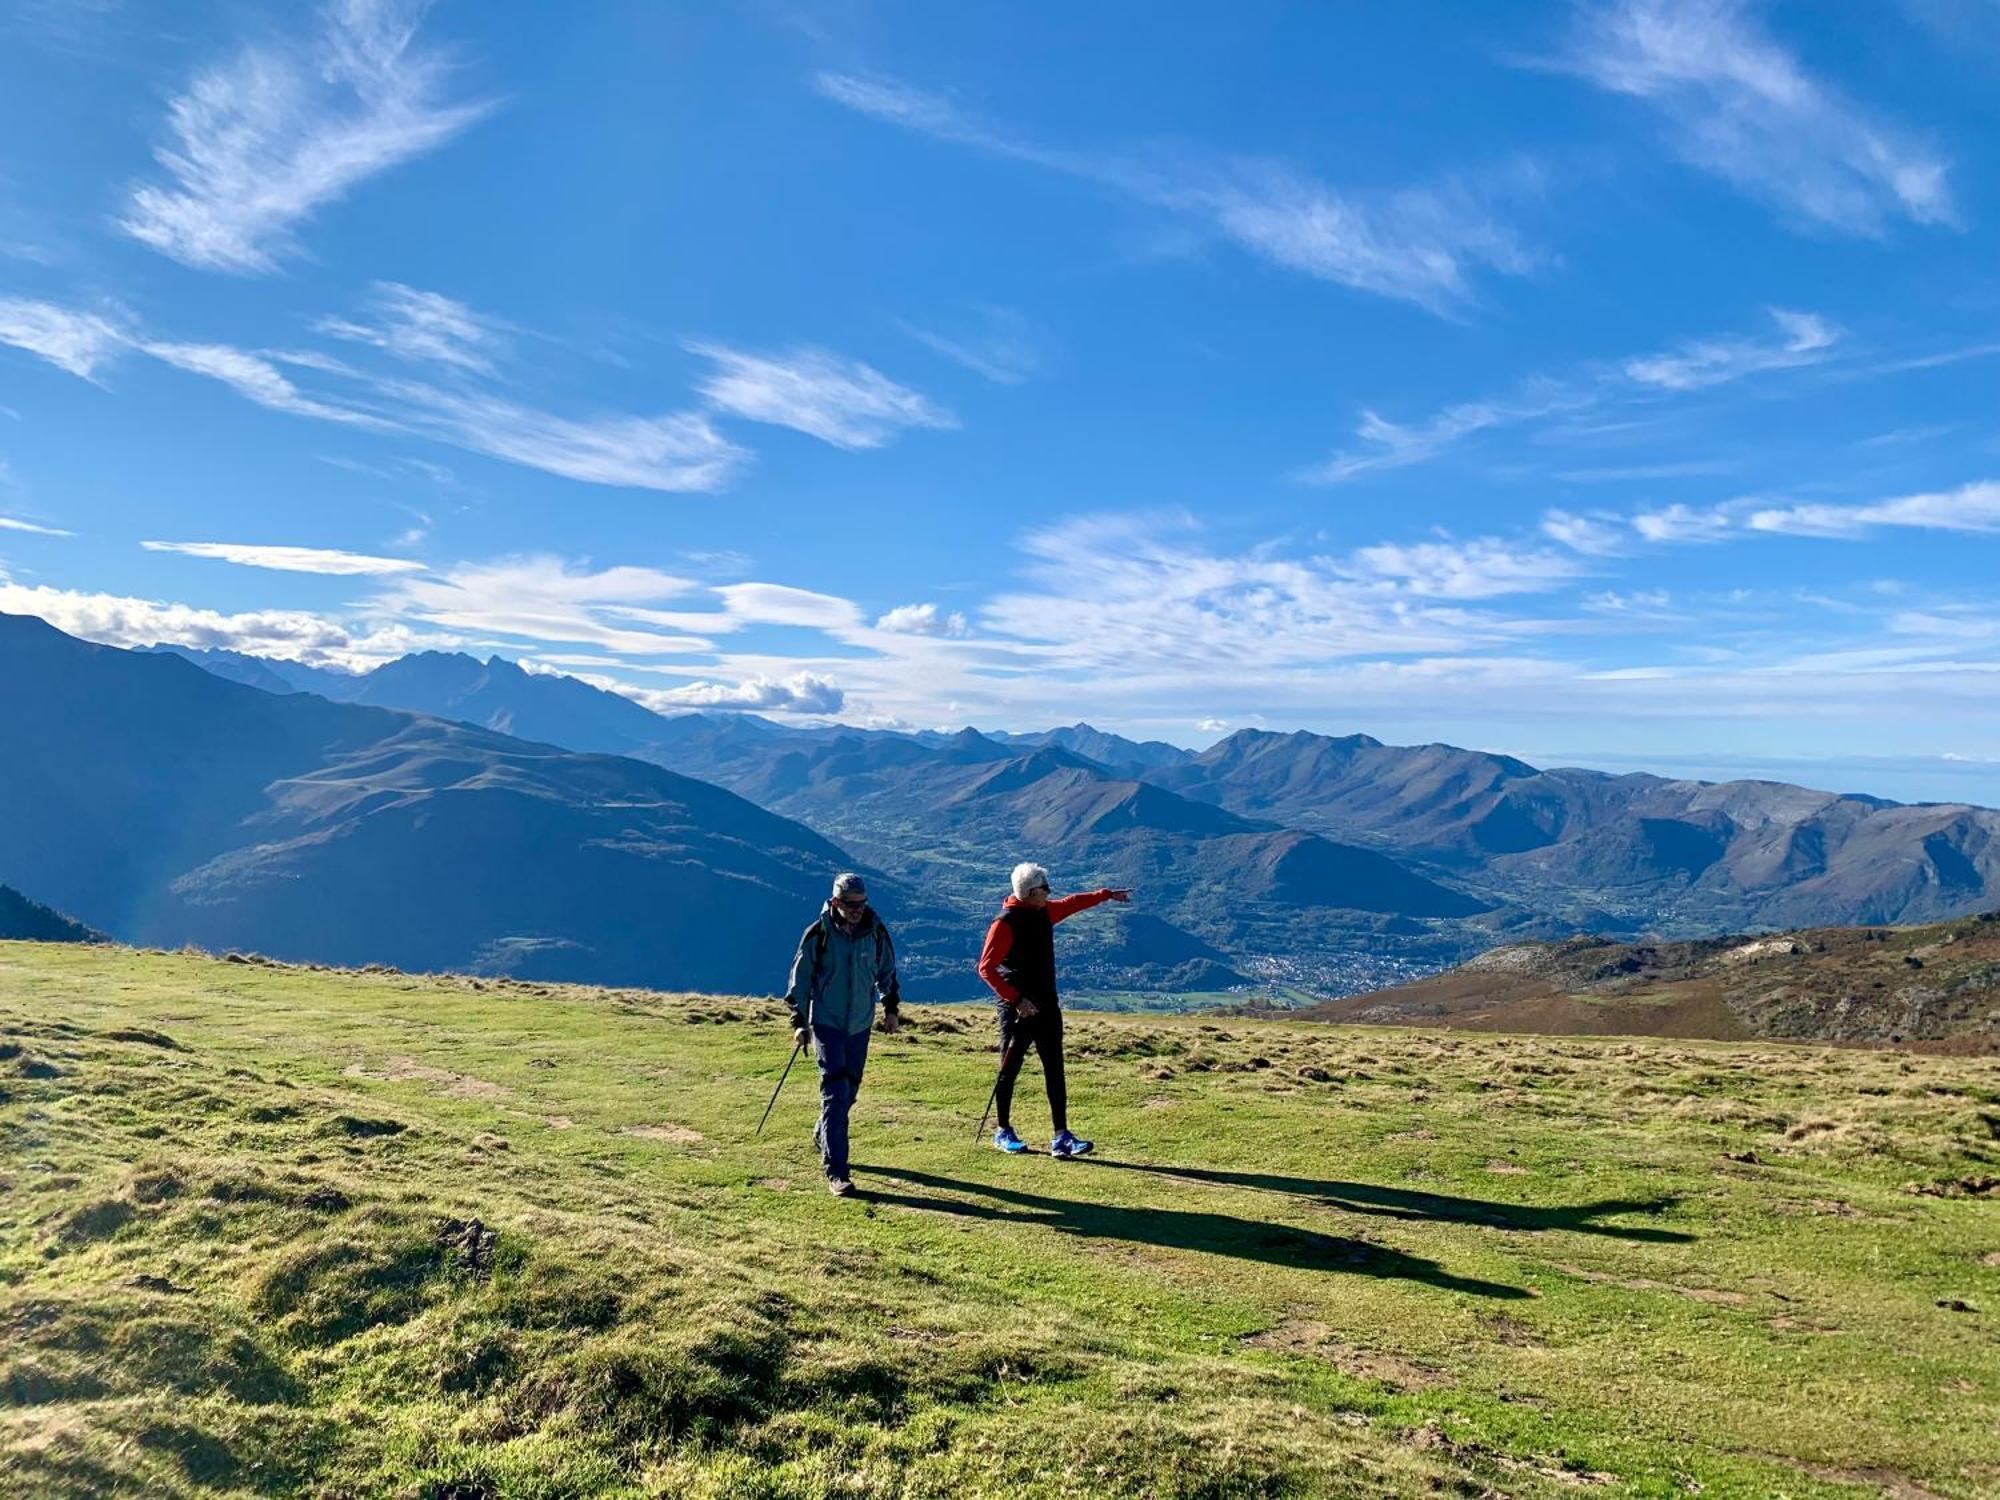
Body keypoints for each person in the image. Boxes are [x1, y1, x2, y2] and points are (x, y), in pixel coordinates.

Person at [976, 862, 1130, 1158]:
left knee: (1055, 1069)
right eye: (1045, 887)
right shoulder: (1005, 923)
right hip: (1017, 1009)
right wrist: (1017, 1000)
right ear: (1031, 891)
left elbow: (1073, 904)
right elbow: (986, 968)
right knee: (1009, 1069)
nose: (1050, 892)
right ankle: (1003, 1131)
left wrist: (1107, 895)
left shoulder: (1043, 911)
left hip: (1046, 1004)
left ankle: (1061, 1136)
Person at [783, 872, 900, 1196]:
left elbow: (886, 971)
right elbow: (800, 981)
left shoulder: (874, 931)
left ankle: (824, 1131)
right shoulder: (818, 933)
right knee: (835, 1092)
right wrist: (799, 1023)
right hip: (827, 1023)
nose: (857, 910)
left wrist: (891, 1009)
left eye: (862, 904)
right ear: (836, 902)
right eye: (850, 904)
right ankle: (837, 1172)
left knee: (851, 1090)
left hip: (860, 1024)